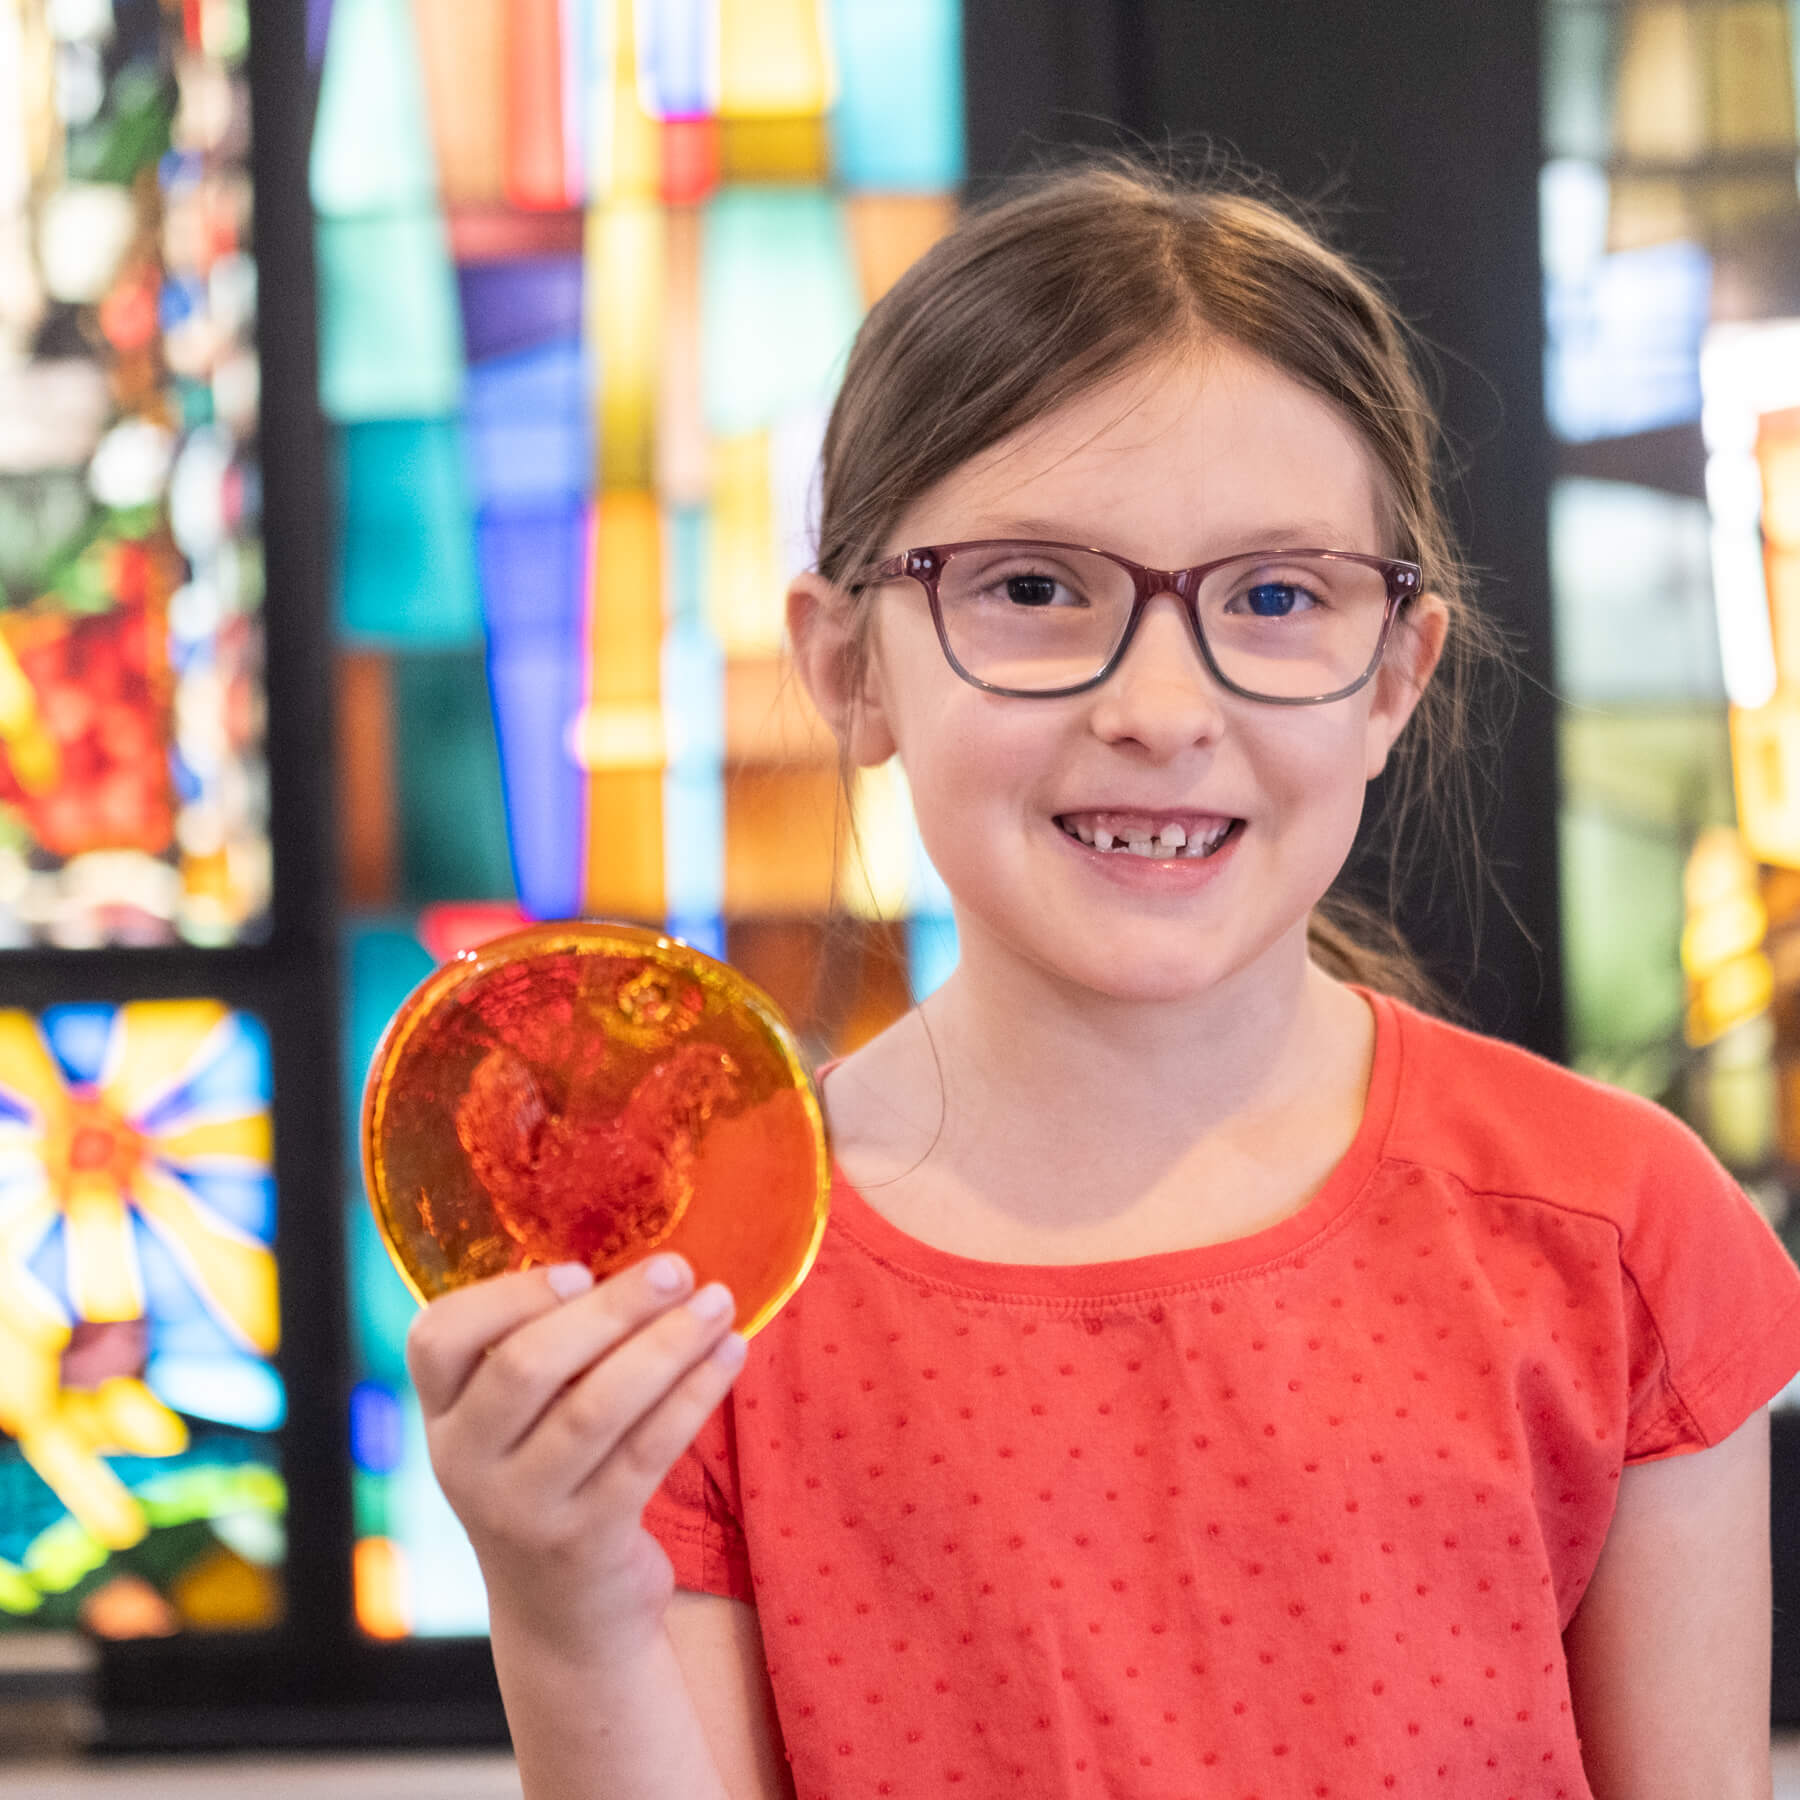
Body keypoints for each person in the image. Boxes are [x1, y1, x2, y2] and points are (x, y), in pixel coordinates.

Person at [404, 160, 1800, 1800]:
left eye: (1276, 597)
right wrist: (561, 1607)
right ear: (847, 662)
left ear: (1393, 676)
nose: (1158, 704)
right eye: (1033, 590)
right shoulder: (703, 1300)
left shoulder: (1618, 1234)